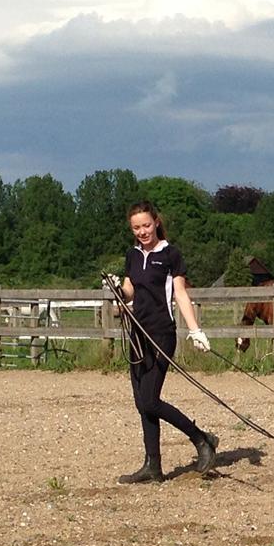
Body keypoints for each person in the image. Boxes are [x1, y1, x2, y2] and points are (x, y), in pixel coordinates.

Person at [104, 200, 218, 483]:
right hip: (137, 335)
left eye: (146, 225)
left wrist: (194, 330)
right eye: (136, 228)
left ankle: (202, 439)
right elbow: (131, 290)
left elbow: (180, 294)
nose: (142, 232)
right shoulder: (132, 255)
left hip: (161, 334)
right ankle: (152, 465)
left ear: (155, 222)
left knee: (150, 401)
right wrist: (117, 290)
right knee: (142, 403)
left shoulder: (170, 254)